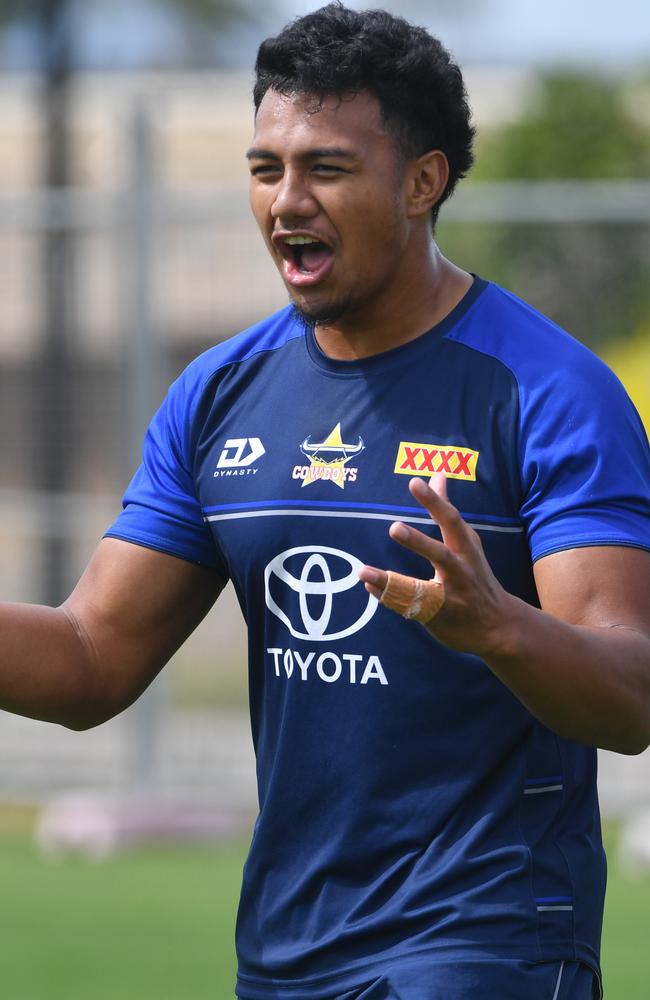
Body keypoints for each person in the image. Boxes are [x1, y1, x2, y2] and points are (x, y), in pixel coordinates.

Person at [2, 3, 650, 997]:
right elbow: (94, 656)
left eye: (327, 170)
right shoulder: (218, 395)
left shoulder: (549, 391)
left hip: (485, 943)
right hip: (286, 951)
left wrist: (498, 628)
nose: (284, 202)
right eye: (265, 169)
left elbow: (629, 695)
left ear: (421, 183)